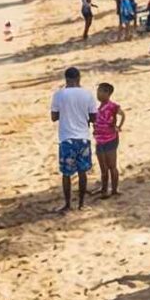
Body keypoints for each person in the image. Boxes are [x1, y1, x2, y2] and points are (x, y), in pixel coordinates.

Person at [51, 67, 99, 212]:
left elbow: (54, 117)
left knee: (66, 173)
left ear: (66, 79)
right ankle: (82, 203)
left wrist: (65, 113)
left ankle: (67, 204)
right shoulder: (87, 94)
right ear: (79, 78)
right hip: (83, 136)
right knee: (82, 171)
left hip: (66, 137)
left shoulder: (59, 95)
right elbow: (94, 117)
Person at [92, 82, 124, 199]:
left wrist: (118, 127)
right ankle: (104, 188)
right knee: (103, 167)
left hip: (110, 139)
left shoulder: (112, 106)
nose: (98, 94)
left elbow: (122, 114)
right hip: (100, 140)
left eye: (100, 91)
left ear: (107, 93)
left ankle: (114, 189)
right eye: (98, 91)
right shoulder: (98, 108)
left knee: (112, 166)